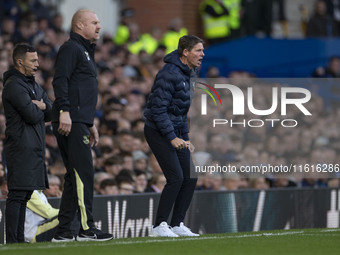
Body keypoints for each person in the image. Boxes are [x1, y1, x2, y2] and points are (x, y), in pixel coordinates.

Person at [51, 9, 113, 242]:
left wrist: (89, 122)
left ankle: (65, 231)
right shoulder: (71, 48)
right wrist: (65, 111)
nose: (99, 26)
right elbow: (60, 80)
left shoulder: (84, 51)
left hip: (78, 120)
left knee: (73, 175)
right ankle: (87, 228)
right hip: (70, 118)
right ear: (79, 26)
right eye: (94, 22)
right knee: (83, 173)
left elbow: (80, 89)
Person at [143, 35, 204, 237]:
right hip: (157, 130)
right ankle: (158, 226)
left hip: (176, 130)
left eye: (203, 51)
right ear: (185, 52)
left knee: (190, 176)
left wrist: (185, 137)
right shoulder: (169, 74)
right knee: (176, 177)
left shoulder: (190, 73)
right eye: (198, 50)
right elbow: (158, 110)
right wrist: (172, 138)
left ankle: (177, 223)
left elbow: (180, 112)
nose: (202, 55)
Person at [2, 43, 52, 243]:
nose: (37, 64)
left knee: (24, 195)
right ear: (19, 62)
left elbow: (50, 110)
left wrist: (40, 105)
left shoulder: (34, 85)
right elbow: (32, 116)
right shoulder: (14, 85)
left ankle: (18, 240)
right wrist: (42, 107)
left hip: (33, 147)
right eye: (33, 60)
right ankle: (13, 241)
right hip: (20, 147)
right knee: (17, 195)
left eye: (38, 60)